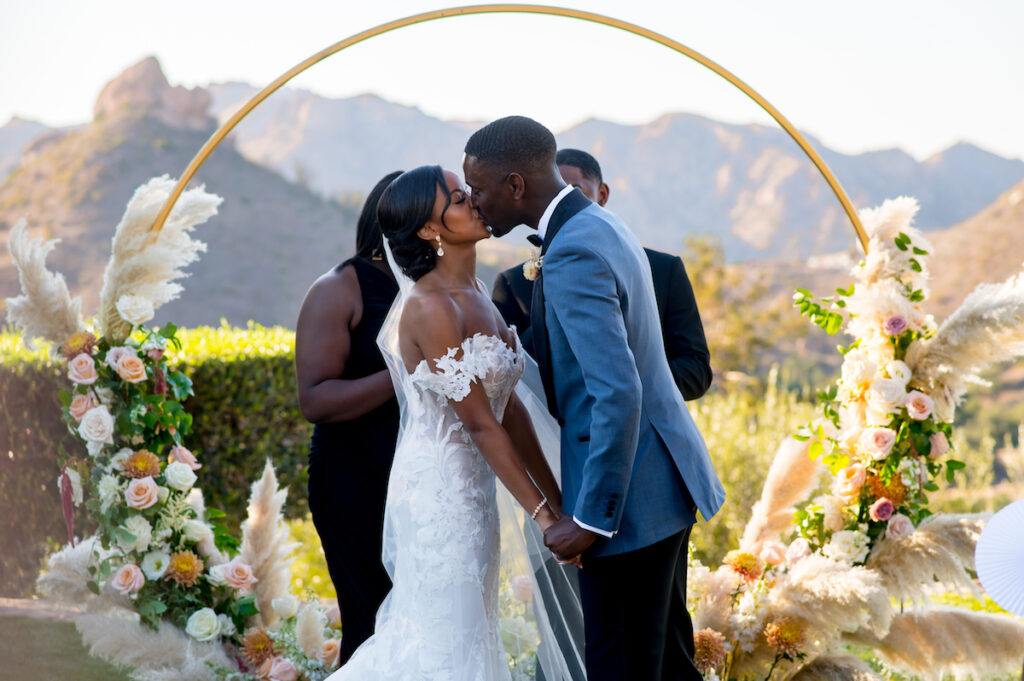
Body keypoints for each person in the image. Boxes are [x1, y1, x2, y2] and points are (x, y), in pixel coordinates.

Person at [464, 116, 726, 681]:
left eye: (479, 189)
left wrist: (592, 519)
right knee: (666, 664)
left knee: (620, 667)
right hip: (659, 487)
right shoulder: (599, 225)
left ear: (514, 185)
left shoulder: (572, 252)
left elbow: (617, 389)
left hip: (629, 505)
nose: (474, 201)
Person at [326, 165, 567, 680]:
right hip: (442, 494)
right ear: (430, 230)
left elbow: (512, 409)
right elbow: (480, 424)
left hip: (476, 487)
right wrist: (544, 518)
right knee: (441, 637)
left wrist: (557, 500)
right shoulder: (428, 306)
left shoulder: (477, 292)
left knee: (473, 630)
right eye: (458, 199)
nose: (474, 202)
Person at [491, 148, 712, 400]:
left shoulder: (663, 270)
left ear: (602, 195)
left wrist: (620, 385)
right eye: (551, 196)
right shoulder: (514, 284)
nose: (561, 205)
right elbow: (510, 379)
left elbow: (696, 372)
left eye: (574, 191)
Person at [294, 171, 402, 664]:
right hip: (355, 480)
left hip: (422, 479)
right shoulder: (340, 288)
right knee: (372, 622)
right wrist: (403, 375)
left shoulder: (440, 289)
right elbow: (314, 399)